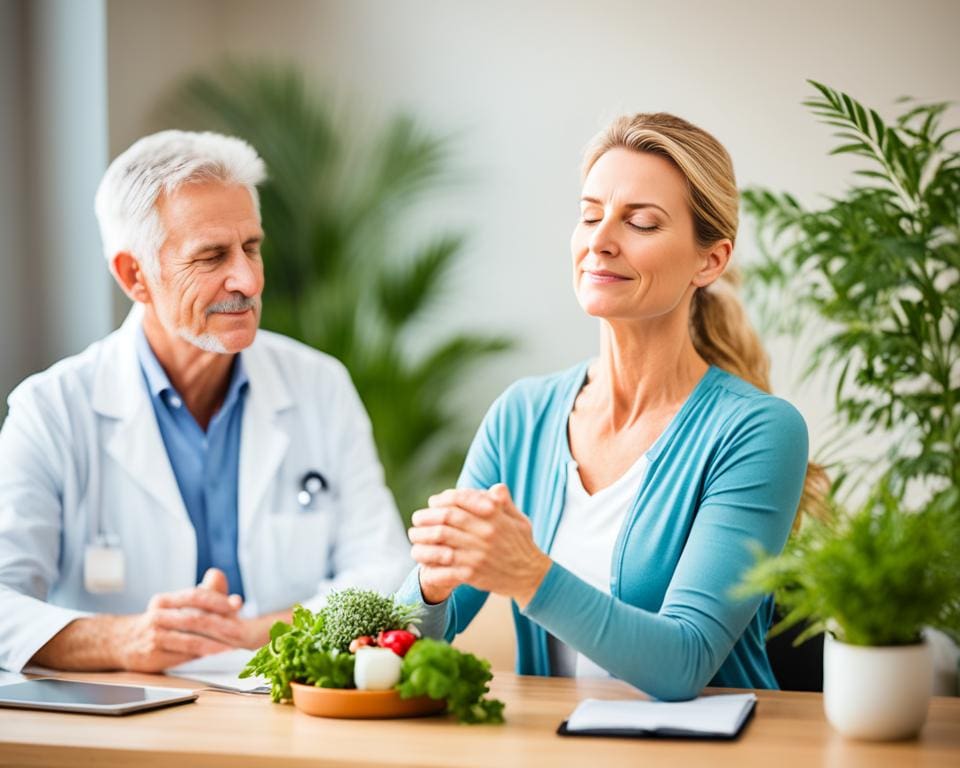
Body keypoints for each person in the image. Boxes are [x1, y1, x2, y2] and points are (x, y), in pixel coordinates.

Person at [398, 113, 821, 701]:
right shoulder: (521, 416)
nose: (600, 240)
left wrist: (527, 573)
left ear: (710, 260)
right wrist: (430, 587)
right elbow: (405, 646)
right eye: (590, 215)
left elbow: (684, 661)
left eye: (641, 222)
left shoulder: (756, 432)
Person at [0, 130, 411, 673]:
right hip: (120, 734)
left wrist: (252, 634)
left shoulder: (319, 385)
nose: (246, 278)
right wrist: (124, 640)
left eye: (252, 247)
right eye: (212, 256)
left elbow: (385, 572)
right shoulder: (53, 409)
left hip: (288, 711)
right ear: (134, 275)